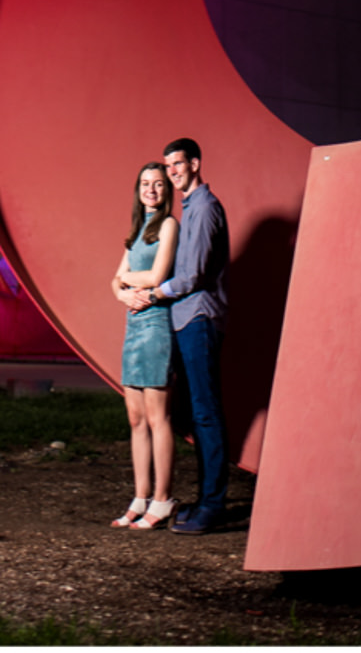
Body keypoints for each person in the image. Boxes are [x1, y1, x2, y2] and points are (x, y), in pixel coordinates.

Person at [126, 135, 234, 534]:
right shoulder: (190, 208)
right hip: (187, 319)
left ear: (196, 163)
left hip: (200, 317)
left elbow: (192, 276)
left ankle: (212, 506)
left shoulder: (203, 209)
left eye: (178, 164)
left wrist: (154, 292)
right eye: (167, 165)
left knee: (206, 413)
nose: (172, 171)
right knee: (196, 413)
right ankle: (205, 501)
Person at [105, 162, 180, 528]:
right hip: (133, 325)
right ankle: (140, 496)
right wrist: (124, 294)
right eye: (145, 184)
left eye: (158, 184)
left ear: (167, 190)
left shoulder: (169, 225)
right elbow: (113, 283)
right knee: (135, 419)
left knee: (157, 417)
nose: (151, 190)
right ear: (138, 190)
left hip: (156, 326)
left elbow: (157, 276)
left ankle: (163, 500)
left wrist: (126, 283)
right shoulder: (138, 230)